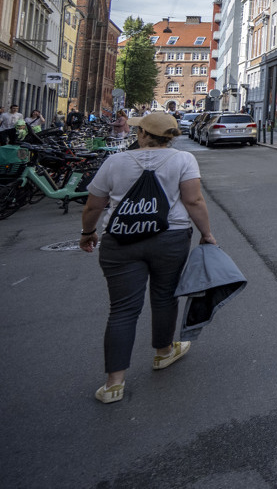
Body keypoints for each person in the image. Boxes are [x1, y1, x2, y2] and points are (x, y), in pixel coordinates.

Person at [79, 111, 216, 404]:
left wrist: (87, 232)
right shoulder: (183, 160)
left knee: (123, 310)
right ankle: (163, 352)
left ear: (142, 133)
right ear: (171, 136)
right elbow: (193, 200)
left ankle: (114, 383)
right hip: (170, 238)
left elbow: (94, 204)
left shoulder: (115, 162)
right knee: (165, 295)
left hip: (121, 241)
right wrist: (207, 233)